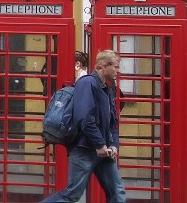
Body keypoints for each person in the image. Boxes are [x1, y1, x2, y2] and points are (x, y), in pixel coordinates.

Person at [42, 50, 126, 203]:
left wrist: (114, 145)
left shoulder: (108, 87)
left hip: (104, 151)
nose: (117, 71)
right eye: (115, 66)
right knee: (71, 195)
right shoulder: (87, 83)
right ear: (103, 66)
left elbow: (113, 121)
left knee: (117, 192)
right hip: (84, 150)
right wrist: (99, 144)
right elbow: (85, 118)